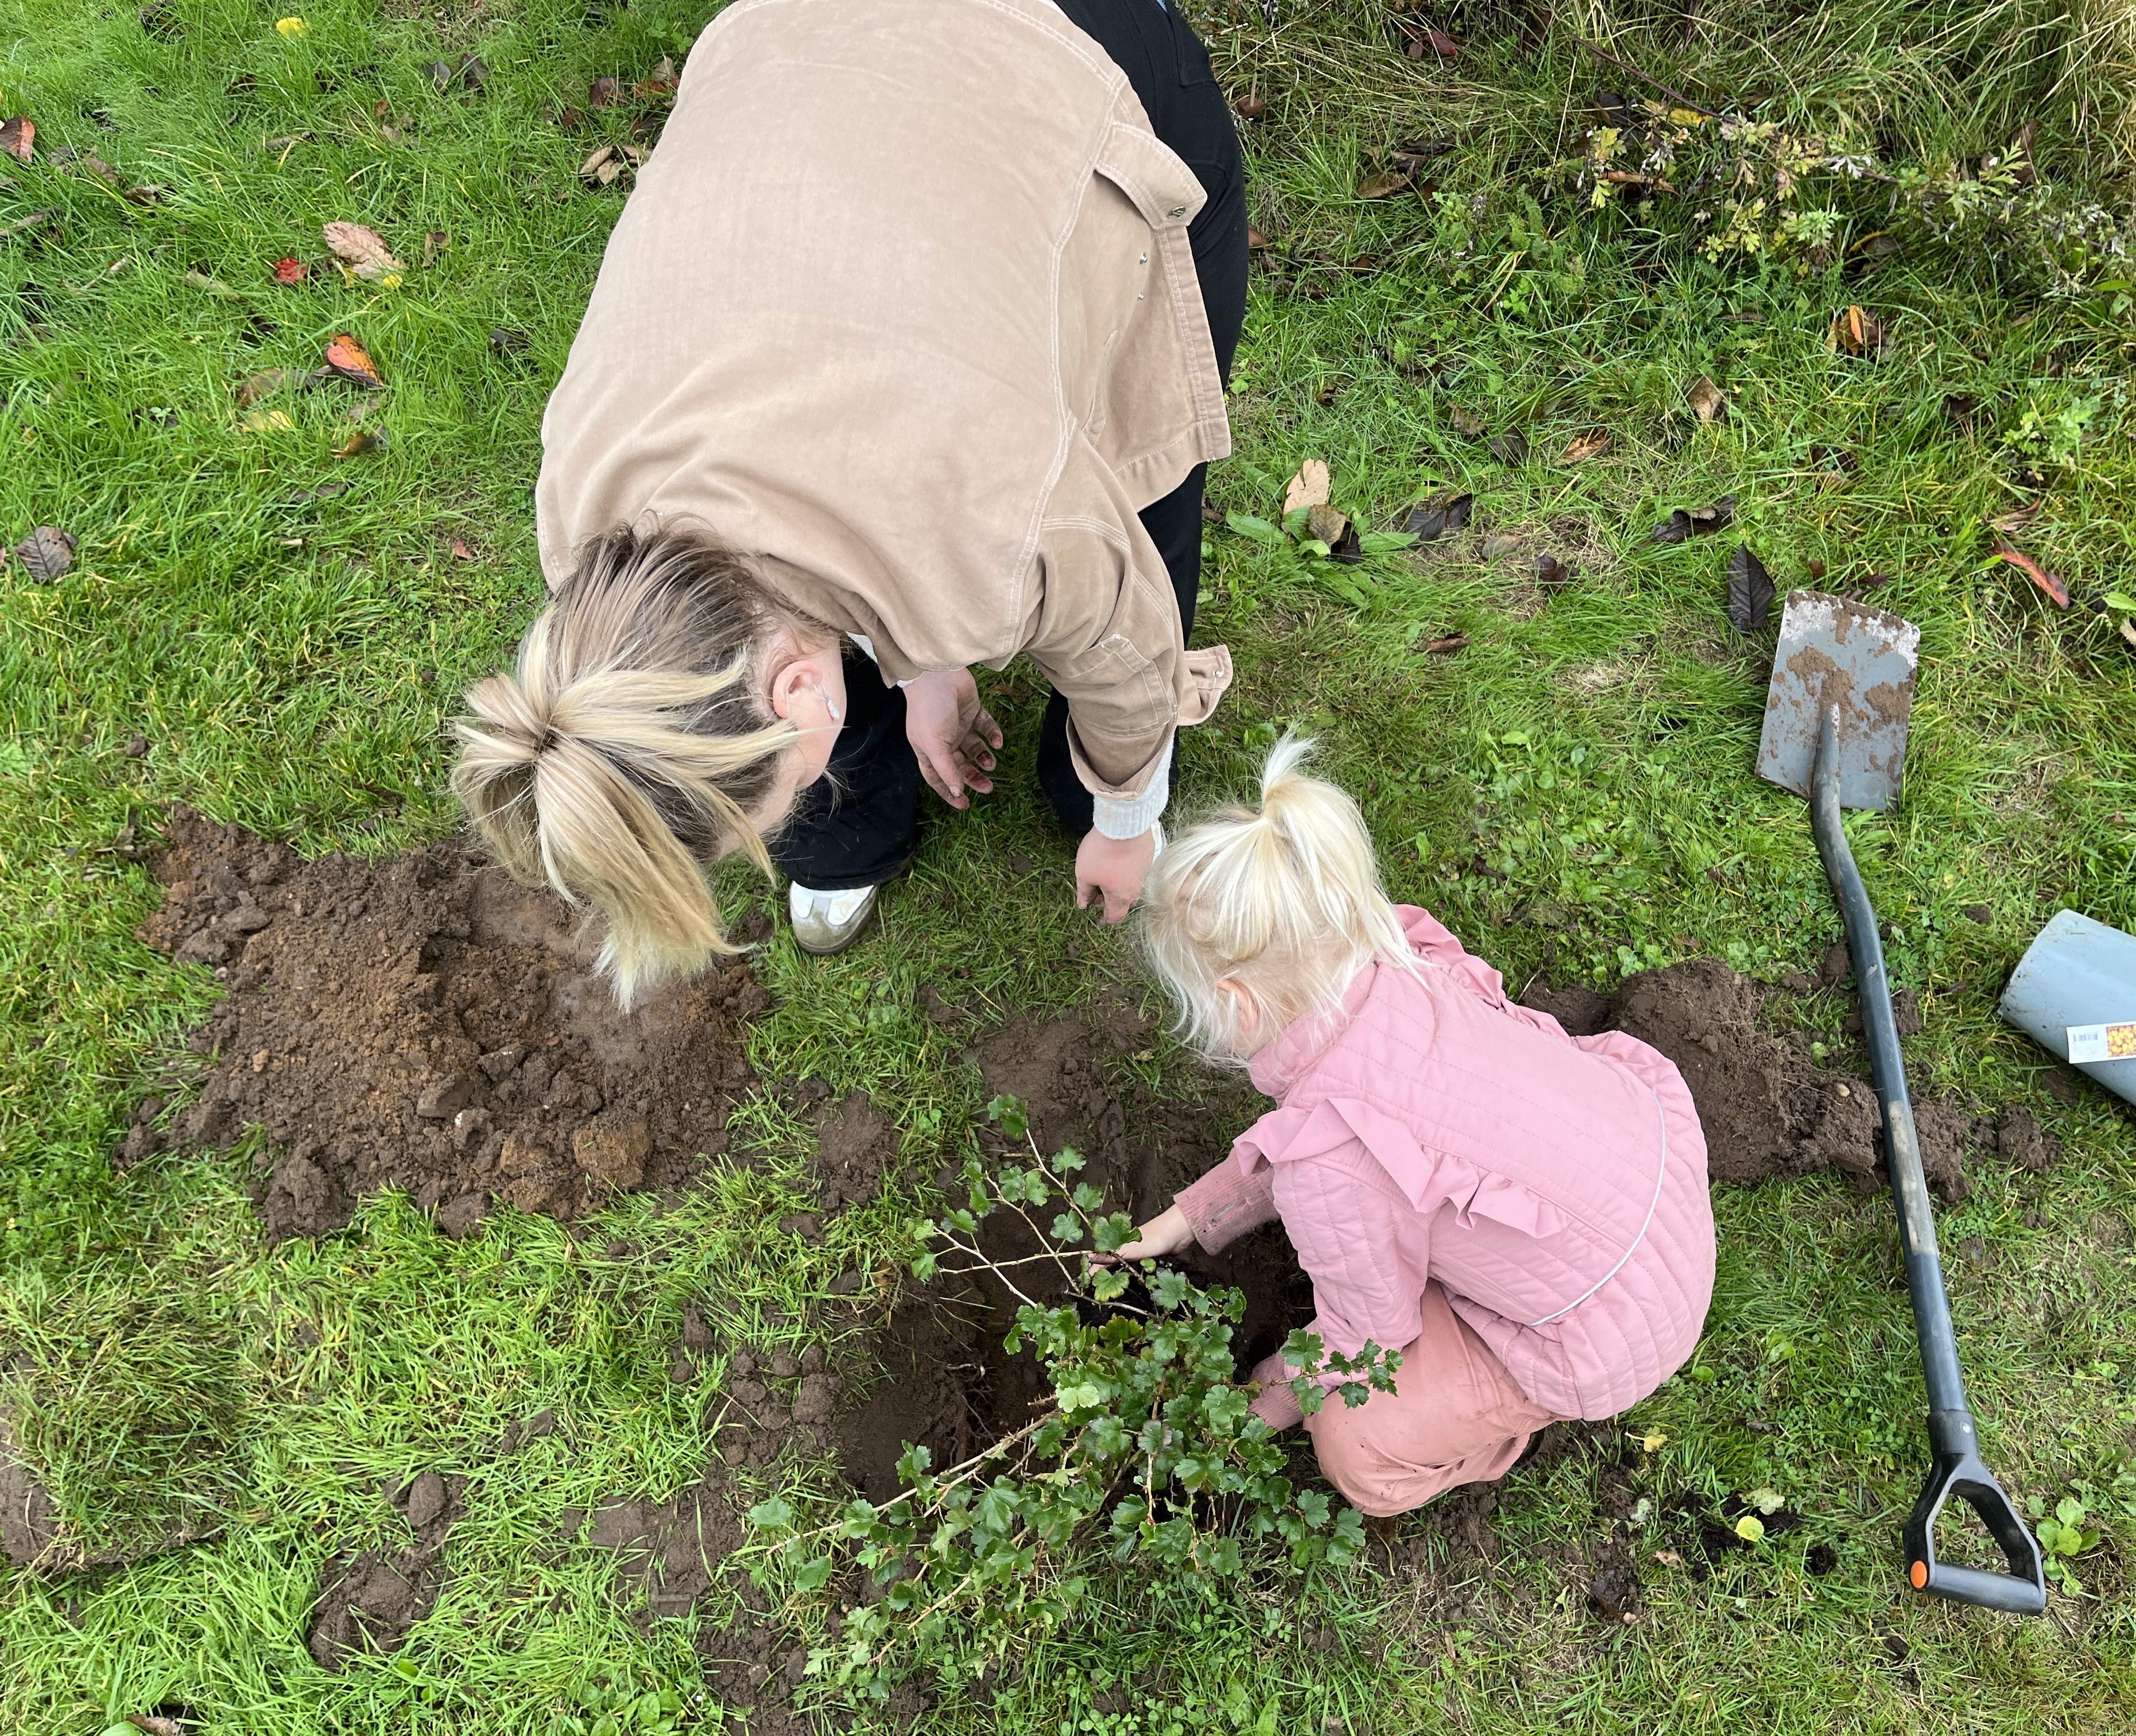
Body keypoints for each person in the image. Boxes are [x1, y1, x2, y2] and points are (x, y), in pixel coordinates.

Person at [451, 0, 1247, 998]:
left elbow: (1121, 633)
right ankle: (855, 841)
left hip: (1068, 59)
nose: (778, 812)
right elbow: (827, 510)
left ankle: (1086, 800)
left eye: (784, 799)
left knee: (1148, 487)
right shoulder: (582, 518)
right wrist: (920, 659)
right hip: (795, 58)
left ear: (799, 697)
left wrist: (1129, 826)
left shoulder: (1005, 517)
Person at [1115, 740, 1718, 1520]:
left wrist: (1264, 1397)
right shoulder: (1404, 964)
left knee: (1356, 1442)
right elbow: (1331, 1130)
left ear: (1237, 1008)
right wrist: (1191, 1219)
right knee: (1400, 1197)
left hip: (1610, 1331)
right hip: (1646, 1172)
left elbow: (1371, 1333)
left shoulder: (1331, 1171)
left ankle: (1500, 1425)